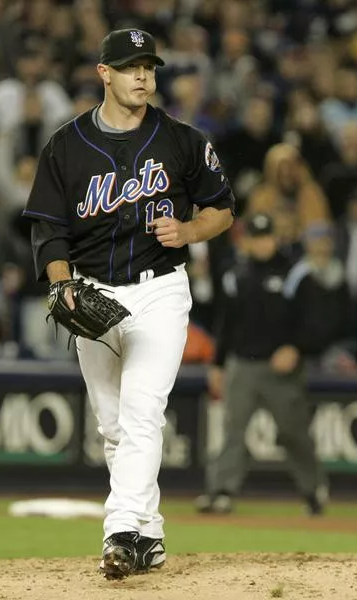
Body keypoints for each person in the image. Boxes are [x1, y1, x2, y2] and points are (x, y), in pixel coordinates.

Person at [23, 29, 235, 579]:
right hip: (93, 289)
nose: (142, 75)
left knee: (143, 411)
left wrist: (189, 231)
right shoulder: (65, 145)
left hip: (160, 290)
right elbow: (48, 228)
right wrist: (61, 283)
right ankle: (151, 536)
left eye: (149, 66)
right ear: (104, 73)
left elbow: (223, 210)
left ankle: (119, 531)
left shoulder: (183, 141)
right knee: (115, 425)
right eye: (129, 65)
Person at [194, 213, 327, 517]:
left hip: (281, 370)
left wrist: (297, 347)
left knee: (293, 433)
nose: (262, 243)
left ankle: (313, 489)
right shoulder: (235, 275)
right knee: (232, 431)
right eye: (256, 238)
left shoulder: (296, 272)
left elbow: (316, 320)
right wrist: (218, 363)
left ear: (274, 238)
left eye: (266, 237)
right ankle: (221, 491)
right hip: (242, 365)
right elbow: (225, 324)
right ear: (247, 240)